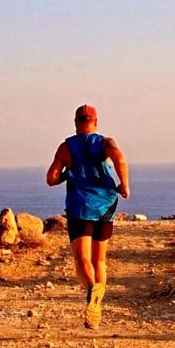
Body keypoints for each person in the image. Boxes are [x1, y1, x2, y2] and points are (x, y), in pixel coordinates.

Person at [46, 105, 130, 329]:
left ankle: (92, 291)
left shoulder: (66, 147)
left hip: (79, 206)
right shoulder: (105, 142)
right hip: (105, 205)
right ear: (96, 121)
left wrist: (67, 174)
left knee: (82, 258)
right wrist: (124, 185)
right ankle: (97, 303)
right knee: (99, 260)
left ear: (75, 122)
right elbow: (120, 160)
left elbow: (51, 178)